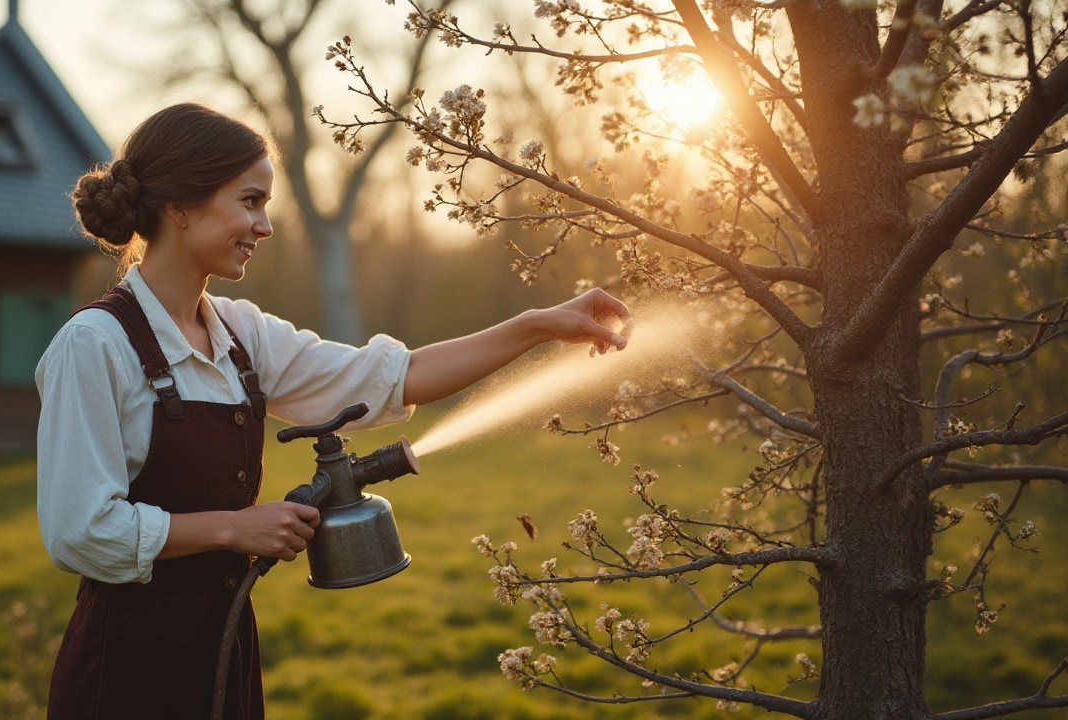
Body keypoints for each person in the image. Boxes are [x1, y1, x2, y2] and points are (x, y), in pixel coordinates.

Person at [36, 102, 630, 720]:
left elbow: (396, 378)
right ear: (180, 207)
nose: (264, 225)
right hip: (125, 673)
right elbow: (79, 531)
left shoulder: (241, 336)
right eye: (249, 201)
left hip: (222, 653)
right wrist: (234, 527)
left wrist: (537, 326)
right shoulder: (95, 345)